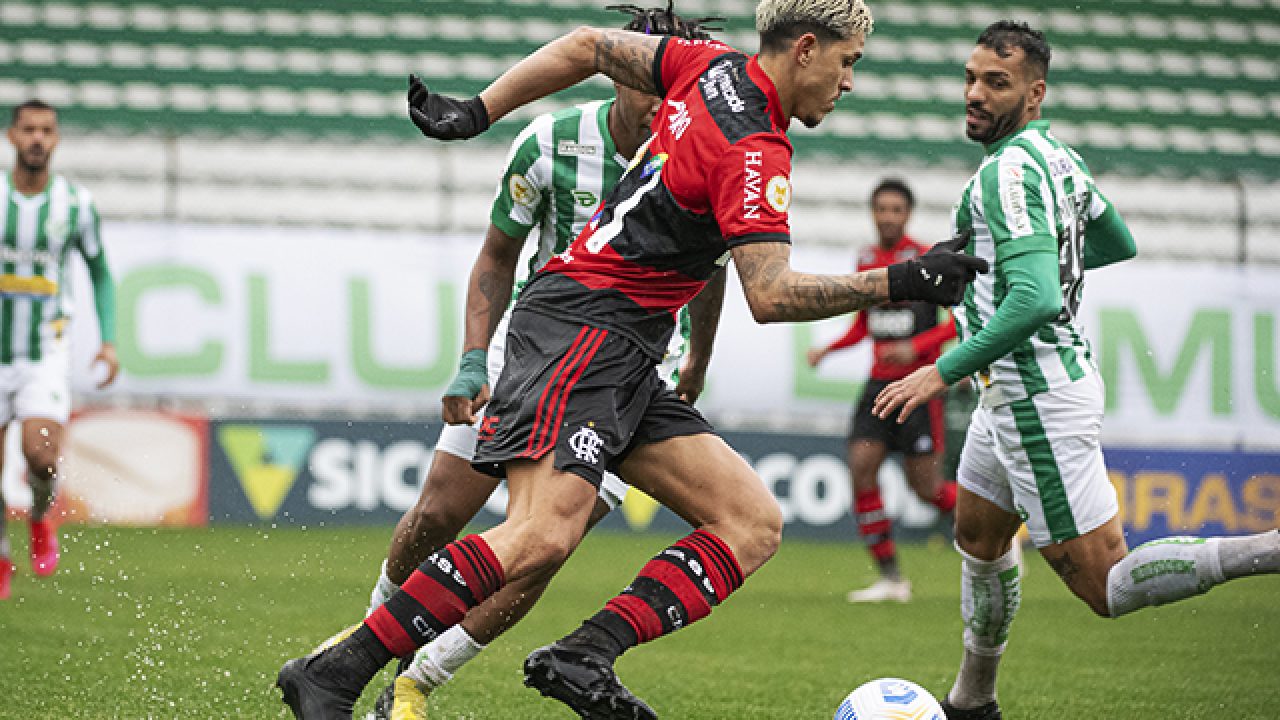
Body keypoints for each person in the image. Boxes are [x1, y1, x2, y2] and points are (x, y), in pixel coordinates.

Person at [277, 2, 987, 718]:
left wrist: (478, 110)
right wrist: (901, 279)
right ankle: (337, 672)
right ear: (807, 48)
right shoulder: (755, 149)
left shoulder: (707, 66)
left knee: (750, 522)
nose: (850, 81)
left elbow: (588, 45)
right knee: (540, 534)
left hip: (623, 349)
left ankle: (584, 655)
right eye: (850, 61)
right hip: (583, 329)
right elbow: (769, 295)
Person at [316, 5, 725, 718]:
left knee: (545, 544)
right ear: (624, 63)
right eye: (648, 69)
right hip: (533, 347)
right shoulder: (553, 142)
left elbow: (715, 273)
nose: (662, 88)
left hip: (636, 367)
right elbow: (498, 256)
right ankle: (369, 633)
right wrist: (473, 360)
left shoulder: (701, 155)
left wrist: (696, 365)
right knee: (443, 508)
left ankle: (416, 684)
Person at [871, 21, 1280, 720]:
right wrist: (1021, 267)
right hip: (1011, 395)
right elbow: (1115, 241)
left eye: (995, 83)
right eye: (971, 77)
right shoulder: (1057, 158)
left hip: (1032, 395)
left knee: (1107, 584)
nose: (975, 93)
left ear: (1034, 93)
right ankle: (973, 700)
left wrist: (941, 370)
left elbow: (1036, 296)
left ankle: (1270, 549)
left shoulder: (1005, 172)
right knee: (978, 536)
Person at [807, 178, 957, 604]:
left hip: (919, 387)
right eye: (881, 209)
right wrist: (828, 350)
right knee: (861, 469)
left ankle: (999, 530)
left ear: (907, 213)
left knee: (927, 490)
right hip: (877, 385)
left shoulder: (927, 257)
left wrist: (917, 347)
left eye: (896, 209)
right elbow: (862, 325)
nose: (888, 216)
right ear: (873, 213)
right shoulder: (868, 259)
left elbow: (954, 324)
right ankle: (891, 579)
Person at [0, 100, 118, 600]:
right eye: (29, 129)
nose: (37, 138)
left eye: (46, 130)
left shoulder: (75, 204)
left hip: (44, 351)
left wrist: (108, 340)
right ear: (12, 136)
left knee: (41, 454)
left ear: (56, 139)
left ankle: (41, 515)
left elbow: (100, 271)